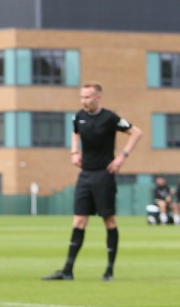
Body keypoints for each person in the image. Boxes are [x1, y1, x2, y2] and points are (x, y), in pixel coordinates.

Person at [43, 82, 142, 282]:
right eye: (81, 97)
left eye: (87, 97)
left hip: (104, 175)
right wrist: (74, 151)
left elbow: (136, 132)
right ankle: (67, 271)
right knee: (79, 220)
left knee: (109, 220)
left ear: (98, 98)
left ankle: (109, 271)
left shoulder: (110, 118)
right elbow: (75, 131)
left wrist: (122, 157)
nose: (84, 101)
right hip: (85, 174)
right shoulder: (79, 116)